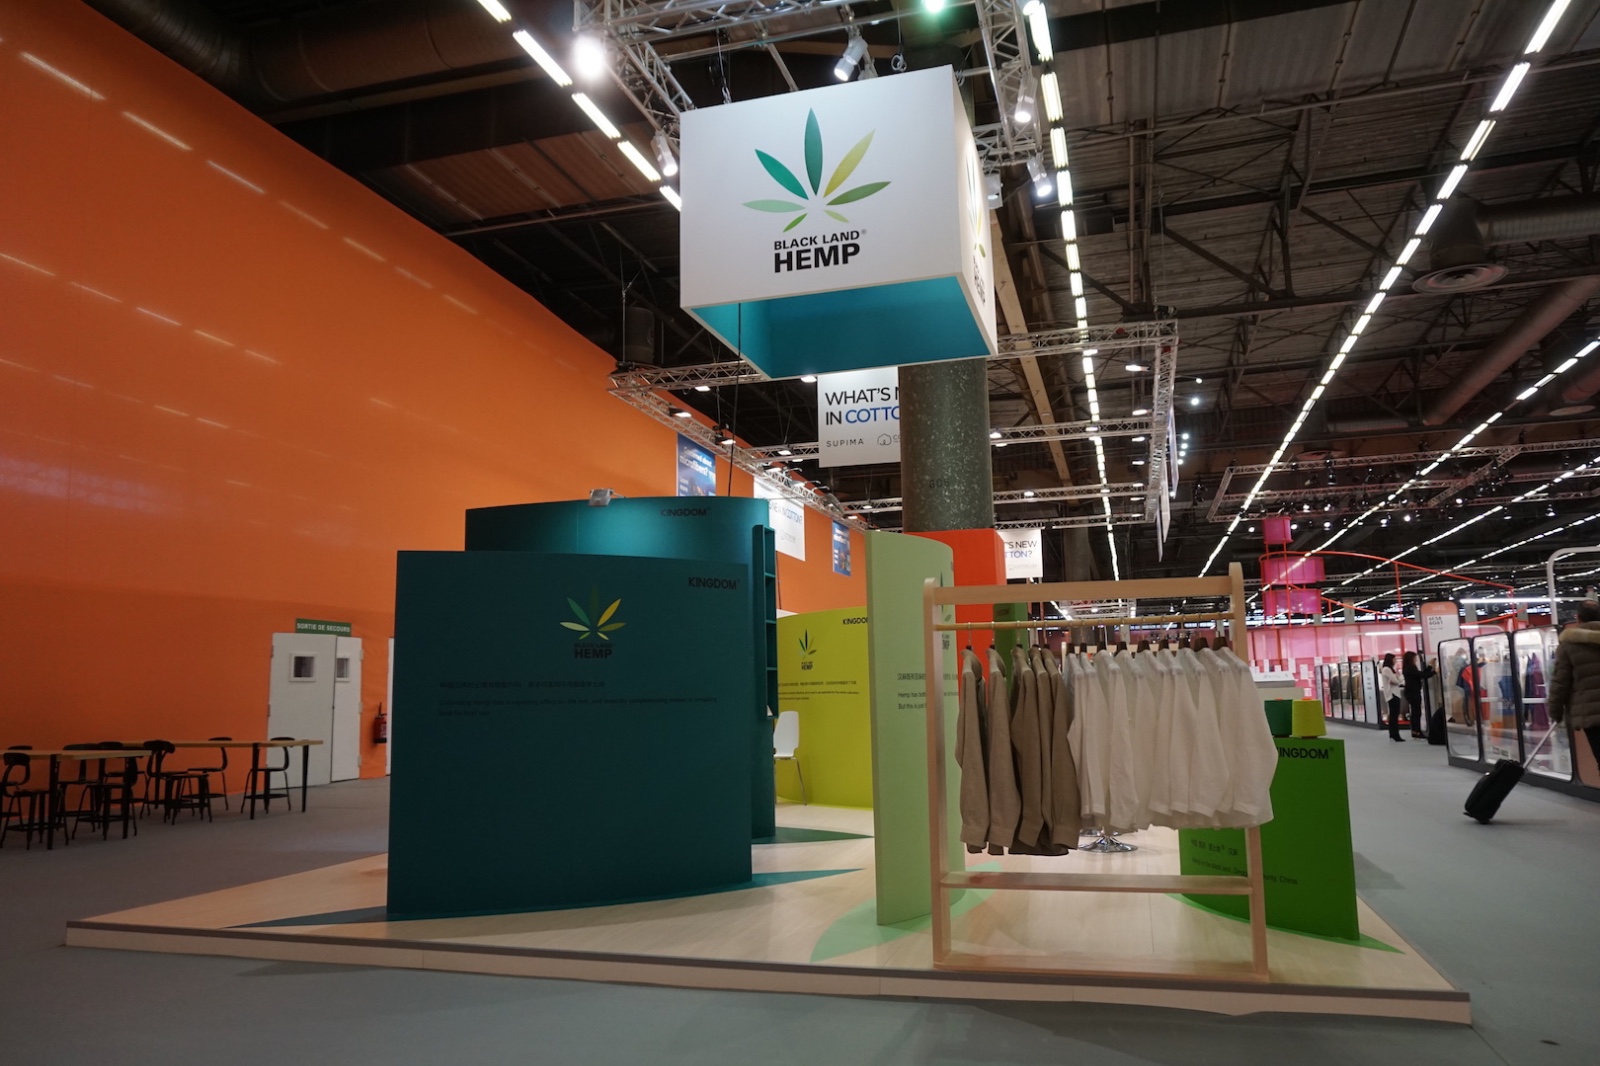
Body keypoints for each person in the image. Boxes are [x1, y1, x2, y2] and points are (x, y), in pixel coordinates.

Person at [1549, 600, 1600, 764]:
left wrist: (1555, 713)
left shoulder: (1570, 644)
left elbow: (1560, 682)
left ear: (1578, 618)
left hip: (1591, 714)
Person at [1402, 650, 1434, 739]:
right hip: (1413, 692)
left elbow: (1421, 674)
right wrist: (1434, 672)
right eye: (1414, 658)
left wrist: (1429, 667)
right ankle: (1417, 731)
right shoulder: (1411, 667)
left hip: (1411, 692)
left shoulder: (1407, 667)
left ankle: (1415, 731)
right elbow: (1423, 675)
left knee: (1415, 713)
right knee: (1417, 713)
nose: (1416, 659)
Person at [1379, 652, 1405, 741]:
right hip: (1392, 694)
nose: (1395, 661)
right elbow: (1396, 680)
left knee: (1394, 715)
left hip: (1394, 694)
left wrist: (1398, 680)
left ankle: (1393, 733)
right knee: (1394, 715)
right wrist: (1399, 680)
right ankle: (1395, 734)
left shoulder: (1390, 669)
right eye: (1394, 659)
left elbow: (1398, 679)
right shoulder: (1387, 669)